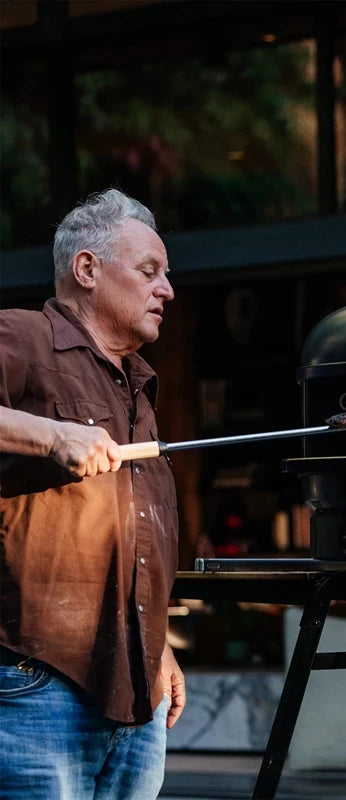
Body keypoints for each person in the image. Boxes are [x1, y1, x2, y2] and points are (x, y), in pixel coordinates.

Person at [0, 188, 185, 799]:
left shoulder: (138, 386)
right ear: (87, 268)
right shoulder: (23, 337)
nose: (168, 291)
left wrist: (155, 650)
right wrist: (48, 435)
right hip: (37, 682)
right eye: (149, 272)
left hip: (137, 689)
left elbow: (134, 539)